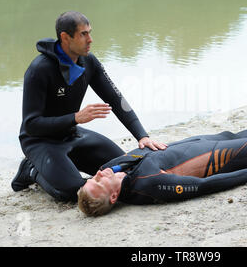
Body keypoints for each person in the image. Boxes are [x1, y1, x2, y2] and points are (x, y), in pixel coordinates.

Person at [77, 97, 247, 217]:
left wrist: (144, 137)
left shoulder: (111, 169)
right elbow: (201, 187)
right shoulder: (149, 187)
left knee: (230, 133)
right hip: (223, 159)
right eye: (99, 181)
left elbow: (138, 152)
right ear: (113, 197)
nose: (99, 173)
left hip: (198, 143)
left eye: (94, 176)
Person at [11, 11, 166, 202]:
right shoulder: (39, 70)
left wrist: (142, 135)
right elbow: (31, 124)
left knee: (129, 168)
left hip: (72, 134)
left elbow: (117, 100)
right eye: (83, 34)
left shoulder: (89, 62)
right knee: (74, 191)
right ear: (65, 37)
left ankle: (64, 166)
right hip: (40, 141)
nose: (90, 39)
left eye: (90, 33)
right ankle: (31, 170)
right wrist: (75, 117)